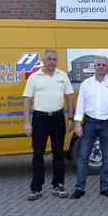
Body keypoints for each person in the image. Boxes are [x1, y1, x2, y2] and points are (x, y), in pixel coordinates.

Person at [23, 49, 74, 201]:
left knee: (58, 154)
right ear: (43, 60)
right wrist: (27, 122)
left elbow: (69, 97)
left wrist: (71, 118)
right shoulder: (34, 77)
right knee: (38, 155)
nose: (52, 61)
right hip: (40, 120)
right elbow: (27, 100)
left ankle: (58, 186)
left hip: (58, 119)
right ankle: (36, 189)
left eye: (54, 59)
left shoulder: (62, 75)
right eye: (49, 59)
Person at [70, 56, 108, 199]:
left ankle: (105, 188)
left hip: (107, 123)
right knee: (83, 157)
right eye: (99, 65)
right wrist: (77, 123)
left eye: (104, 65)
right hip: (89, 122)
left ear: (107, 67)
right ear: (94, 66)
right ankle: (80, 188)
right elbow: (80, 104)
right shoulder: (86, 84)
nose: (101, 67)